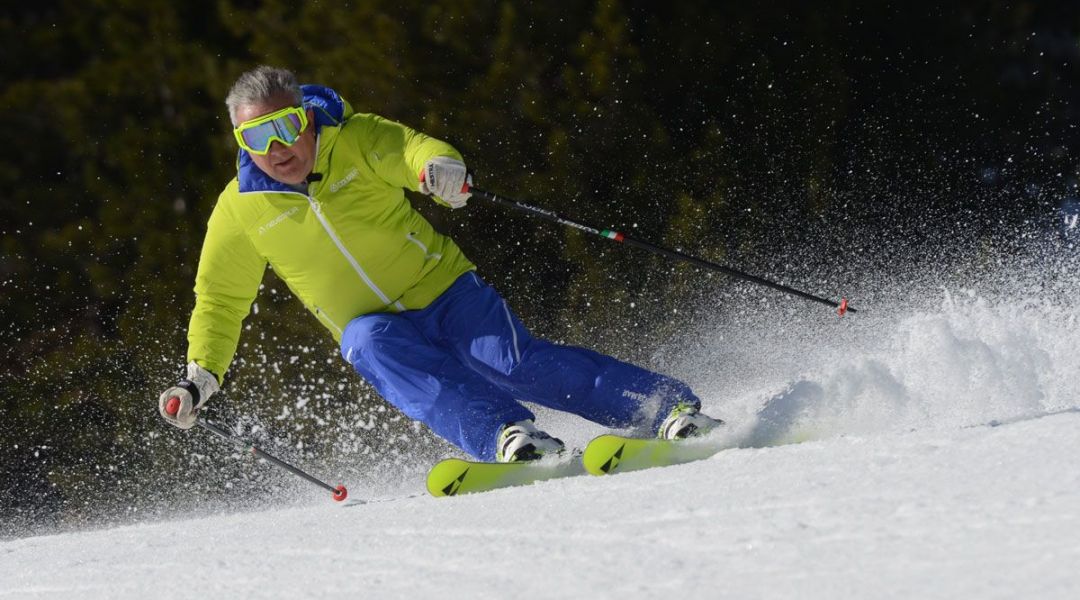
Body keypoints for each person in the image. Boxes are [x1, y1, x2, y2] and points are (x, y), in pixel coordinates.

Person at [158, 65, 721, 462]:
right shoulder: (240, 210)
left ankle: (661, 407)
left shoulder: (355, 141)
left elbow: (413, 151)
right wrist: (200, 377)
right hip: (375, 326)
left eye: (286, 125)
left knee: (510, 363)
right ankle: (506, 435)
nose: (277, 146)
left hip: (445, 290)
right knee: (366, 342)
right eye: (257, 134)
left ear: (307, 119)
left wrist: (440, 171)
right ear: (241, 140)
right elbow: (221, 299)